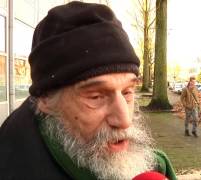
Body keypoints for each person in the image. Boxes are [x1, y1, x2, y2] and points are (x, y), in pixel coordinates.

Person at [0, 2, 176, 180]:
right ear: (45, 98)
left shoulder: (153, 168)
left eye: (127, 92)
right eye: (96, 96)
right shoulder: (12, 166)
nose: (124, 120)